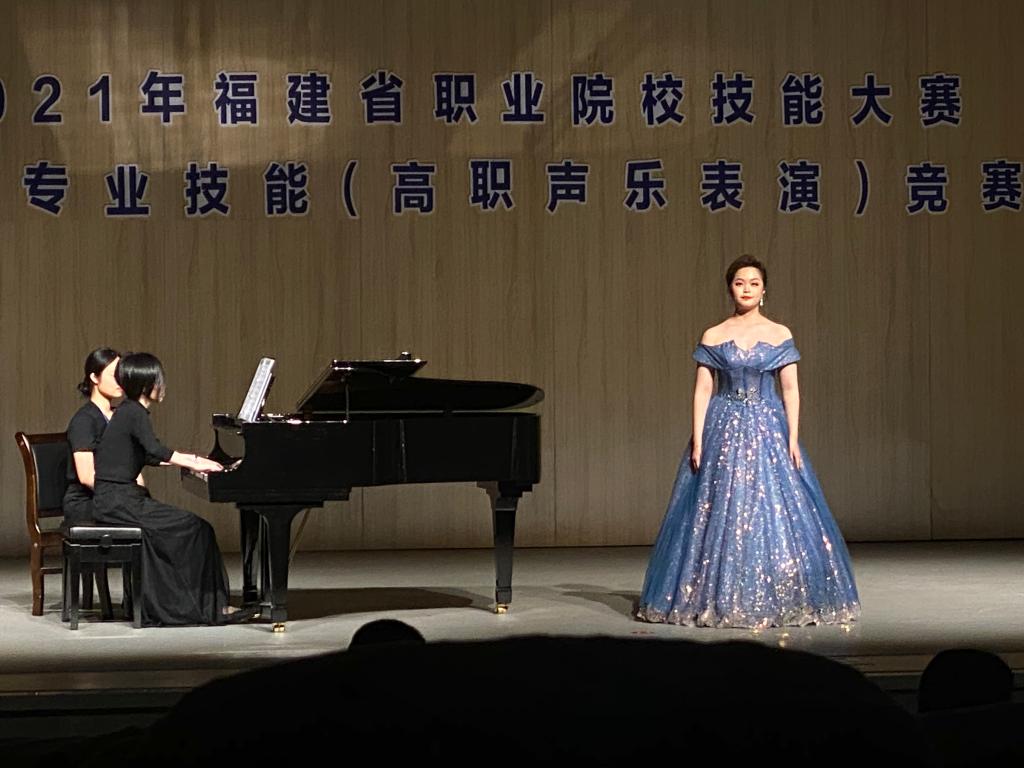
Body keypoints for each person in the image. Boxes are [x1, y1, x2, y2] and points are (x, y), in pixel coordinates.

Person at [636, 255, 860, 627]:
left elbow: (790, 390)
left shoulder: (779, 333)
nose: (747, 289)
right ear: (730, 288)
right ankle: (712, 593)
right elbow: (702, 390)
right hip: (722, 427)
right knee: (717, 508)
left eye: (754, 283)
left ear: (764, 289)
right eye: (740, 283)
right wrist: (697, 439)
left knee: (771, 508)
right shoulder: (713, 334)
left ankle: (779, 593)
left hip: (767, 426)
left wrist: (792, 436)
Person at [92, 352, 253, 626]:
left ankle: (191, 602)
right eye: (159, 380)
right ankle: (203, 606)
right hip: (119, 501)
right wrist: (196, 462)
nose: (162, 385)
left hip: (118, 499)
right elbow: (156, 449)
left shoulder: (128, 412)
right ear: (146, 384)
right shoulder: (133, 413)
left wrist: (196, 461)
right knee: (198, 529)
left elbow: (148, 455)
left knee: (191, 528)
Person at [63, 347, 123, 524]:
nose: (120, 380)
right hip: (86, 503)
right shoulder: (84, 420)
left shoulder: (121, 416)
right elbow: (87, 476)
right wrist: (124, 497)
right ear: (94, 377)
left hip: (114, 498)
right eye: (113, 375)